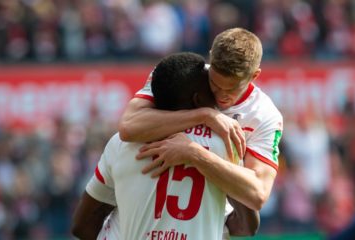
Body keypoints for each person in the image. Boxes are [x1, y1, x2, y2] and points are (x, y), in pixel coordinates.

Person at [71, 52, 259, 240]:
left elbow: (82, 225)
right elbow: (245, 226)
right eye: (211, 89)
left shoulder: (121, 143)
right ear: (198, 99)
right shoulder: (224, 143)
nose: (217, 97)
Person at [119, 28, 283, 213]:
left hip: (211, 224)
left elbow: (258, 194)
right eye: (214, 83)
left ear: (254, 75)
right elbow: (128, 127)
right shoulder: (180, 74)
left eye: (232, 89)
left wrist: (194, 154)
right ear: (211, 58)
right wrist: (205, 115)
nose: (221, 96)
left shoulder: (264, 115)